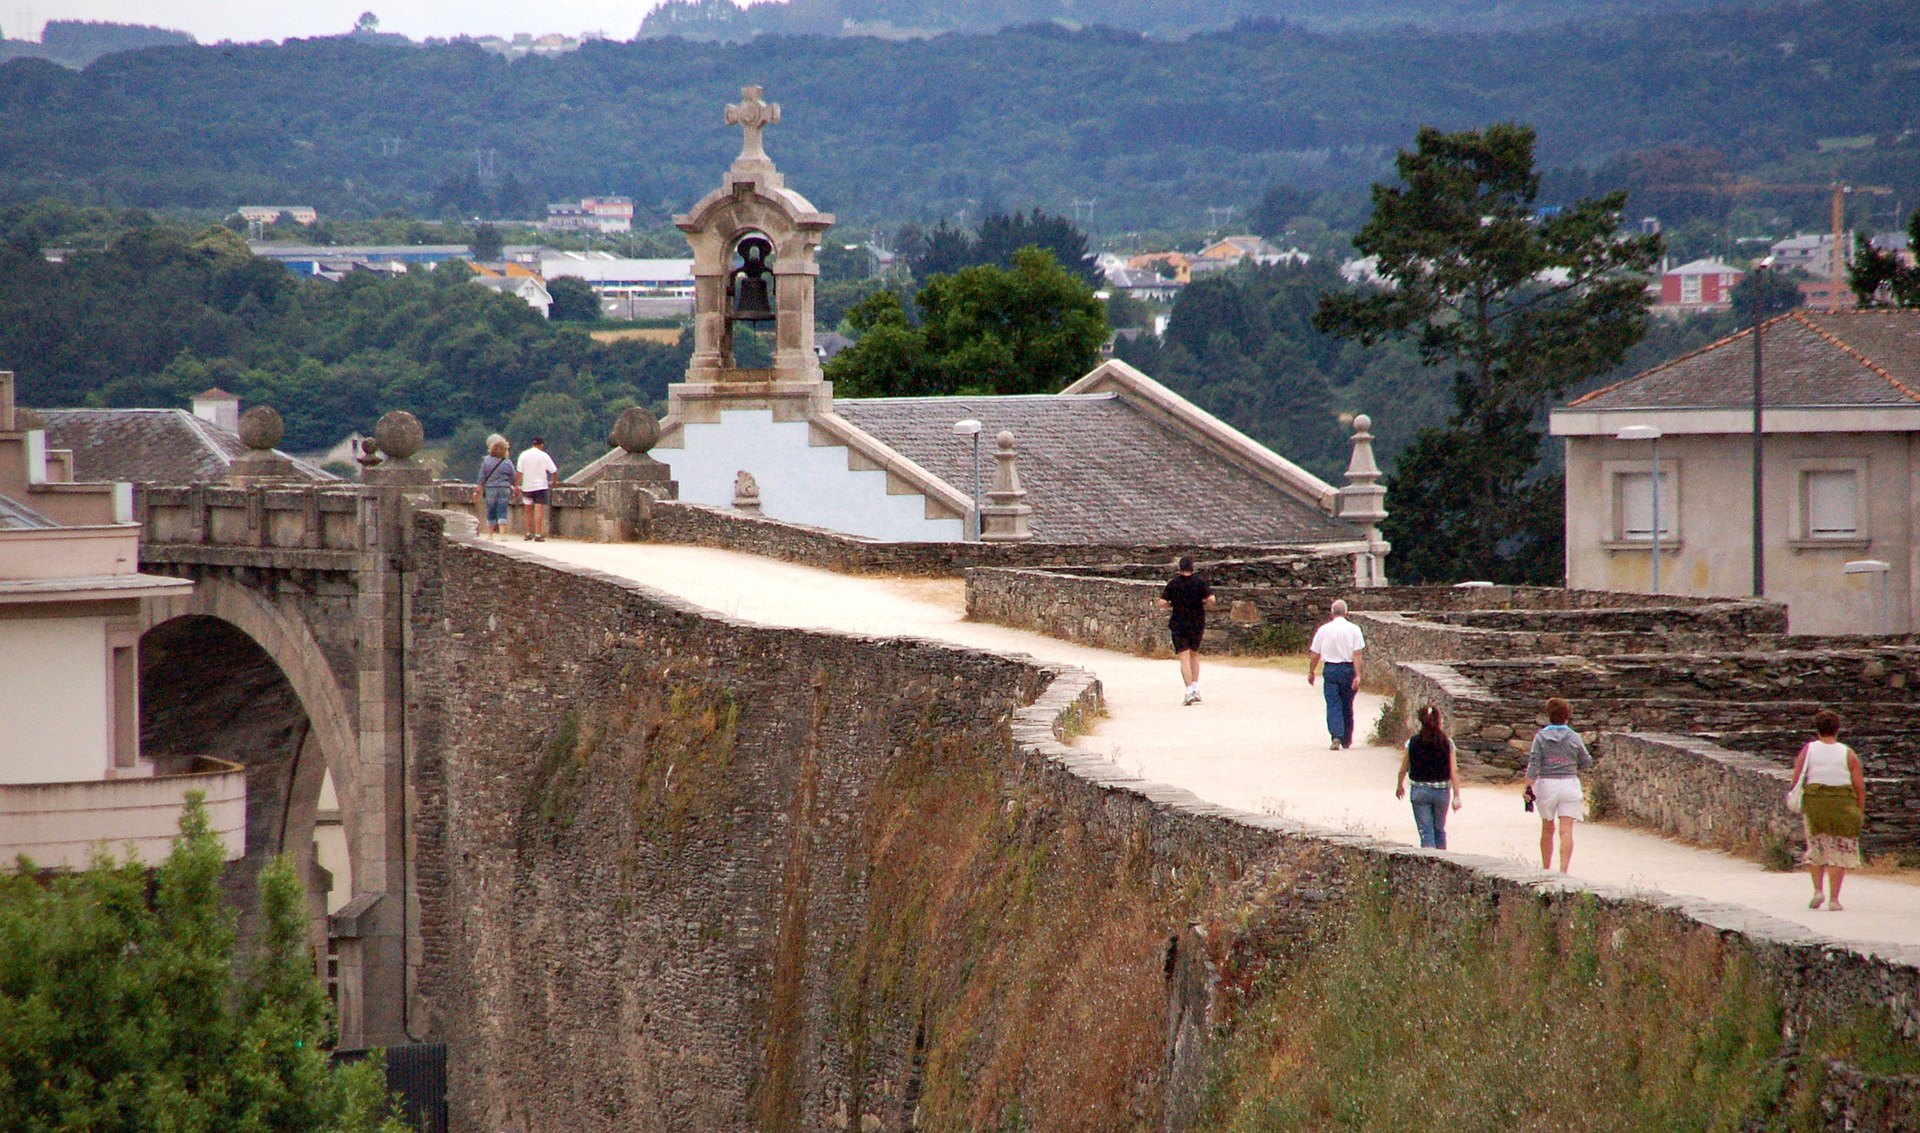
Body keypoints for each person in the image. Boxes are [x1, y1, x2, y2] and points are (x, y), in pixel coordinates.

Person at [1789, 708, 1866, 911]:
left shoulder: (1809, 750)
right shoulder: (1848, 753)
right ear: (1837, 730)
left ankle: (1817, 890)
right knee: (1838, 849)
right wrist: (1859, 810)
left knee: (1817, 845)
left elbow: (1797, 777)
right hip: (1843, 804)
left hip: (1816, 804)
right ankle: (1834, 899)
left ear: (1817, 730)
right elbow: (1859, 786)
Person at [1525, 697, 1593, 873]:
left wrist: (1528, 786)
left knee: (1548, 828)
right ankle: (1563, 871)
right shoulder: (1574, 737)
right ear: (1567, 716)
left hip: (1547, 783)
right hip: (1569, 782)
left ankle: (1546, 868)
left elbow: (1534, 763)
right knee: (1566, 830)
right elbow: (1586, 761)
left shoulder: (1540, 737)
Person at [1396, 704, 1462, 848]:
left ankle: (1430, 861)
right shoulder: (1447, 743)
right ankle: (1443, 860)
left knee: (1426, 832)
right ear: (1439, 721)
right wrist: (1457, 796)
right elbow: (1454, 771)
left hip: (1419, 791)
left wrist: (1399, 785)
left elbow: (1404, 768)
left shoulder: (1412, 742)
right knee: (1439, 829)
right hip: (1441, 791)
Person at [1156, 555, 1217, 705]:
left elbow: (1162, 602)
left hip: (1179, 622)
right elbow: (1212, 600)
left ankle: (1189, 690)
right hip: (1197, 621)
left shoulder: (1173, 584)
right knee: (1194, 654)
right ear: (1193, 567)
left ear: (1180, 568)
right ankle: (1196, 687)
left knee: (1184, 656)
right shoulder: (1200, 582)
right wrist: (1202, 602)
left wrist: (1172, 604)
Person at [1307, 599, 1365, 749]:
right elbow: (1357, 654)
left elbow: (1315, 654)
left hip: (1331, 669)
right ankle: (1347, 737)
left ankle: (1336, 735)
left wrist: (1311, 671)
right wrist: (1357, 674)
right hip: (1348, 669)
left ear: (1331, 613)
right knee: (1347, 703)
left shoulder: (1323, 630)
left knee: (1333, 703)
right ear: (1347, 613)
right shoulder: (1354, 629)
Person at [515, 436, 558, 542]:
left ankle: (529, 533)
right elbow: (554, 471)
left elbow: (520, 472)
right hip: (540, 486)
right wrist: (554, 482)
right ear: (541, 445)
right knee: (539, 509)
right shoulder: (544, 455)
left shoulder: (523, 455)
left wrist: (516, 485)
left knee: (528, 510)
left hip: (527, 486)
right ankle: (538, 534)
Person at [472, 434, 515, 539]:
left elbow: (481, 477)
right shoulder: (507, 462)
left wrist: (477, 491)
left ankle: (490, 534)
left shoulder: (486, 461)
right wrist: (513, 485)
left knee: (491, 510)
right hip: (504, 488)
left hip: (490, 488)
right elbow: (513, 476)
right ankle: (503, 535)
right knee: (502, 509)